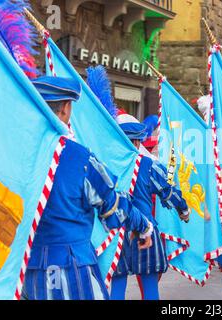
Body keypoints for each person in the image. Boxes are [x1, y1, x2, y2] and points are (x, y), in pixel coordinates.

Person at [22, 76, 153, 300]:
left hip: (26, 272)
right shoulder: (78, 157)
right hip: (72, 268)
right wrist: (144, 226)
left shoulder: (17, 154)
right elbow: (113, 205)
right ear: (64, 108)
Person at [85, 66, 189, 300]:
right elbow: (168, 189)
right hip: (145, 231)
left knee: (117, 285)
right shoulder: (147, 164)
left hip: (115, 231)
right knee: (150, 286)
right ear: (137, 140)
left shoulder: (104, 164)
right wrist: (183, 208)